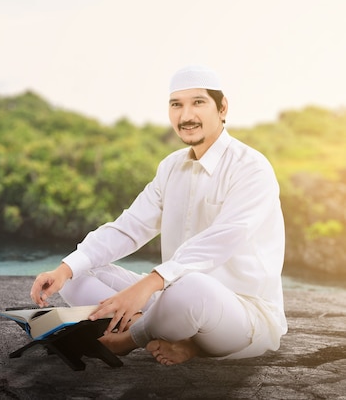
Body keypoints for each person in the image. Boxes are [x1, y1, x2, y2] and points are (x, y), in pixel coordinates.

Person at [30, 65, 287, 365]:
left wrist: (149, 283)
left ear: (222, 107)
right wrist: (63, 270)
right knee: (78, 275)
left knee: (191, 287)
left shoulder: (251, 168)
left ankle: (131, 337)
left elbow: (221, 240)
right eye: (176, 105)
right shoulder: (171, 167)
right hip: (174, 296)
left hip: (242, 313)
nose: (186, 115)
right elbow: (130, 227)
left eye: (198, 103)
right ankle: (170, 333)